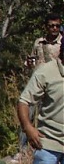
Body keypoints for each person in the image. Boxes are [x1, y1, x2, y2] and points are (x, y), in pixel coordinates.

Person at [17, 14, 62, 156]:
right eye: (51, 25)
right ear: (46, 27)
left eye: (57, 25)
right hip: (37, 83)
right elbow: (31, 60)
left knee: (48, 117)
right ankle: (22, 149)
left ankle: (47, 146)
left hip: (54, 85)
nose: (54, 28)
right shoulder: (39, 42)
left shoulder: (62, 43)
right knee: (27, 114)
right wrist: (29, 63)